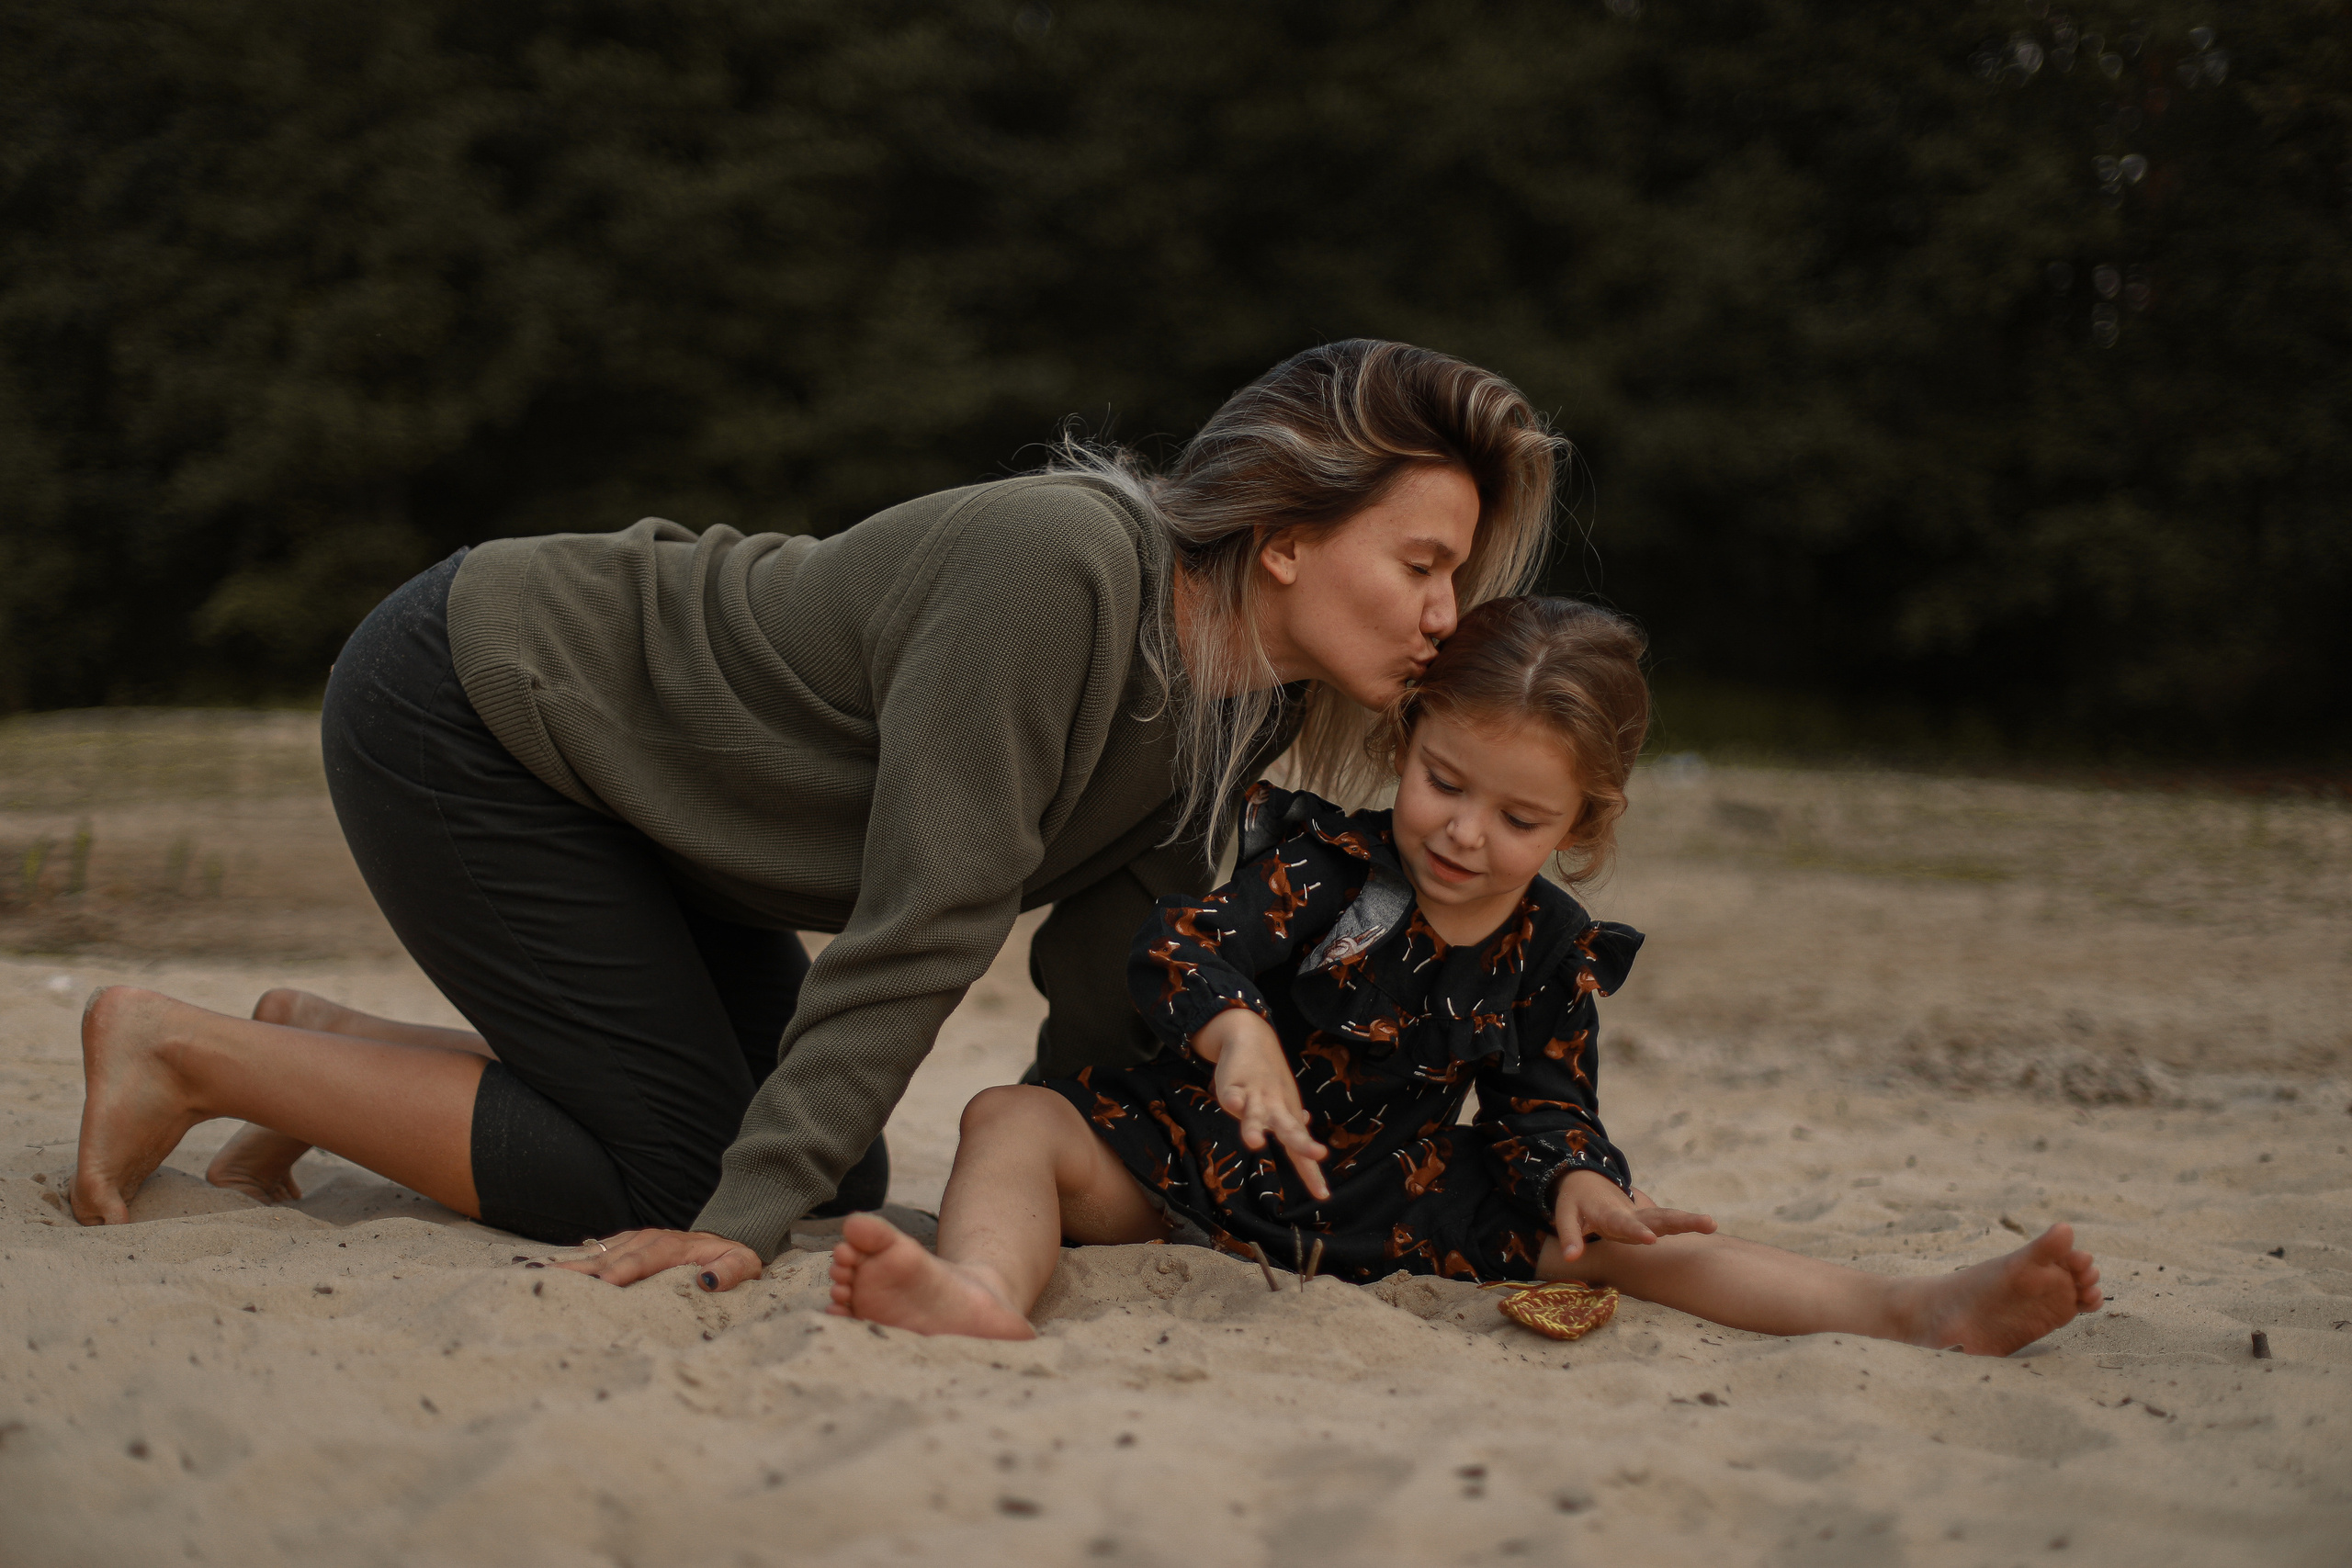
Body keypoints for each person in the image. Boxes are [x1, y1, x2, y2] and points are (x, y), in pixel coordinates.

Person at [70, 341, 1564, 1295]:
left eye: (1462, 583)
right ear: (1290, 536)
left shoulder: (1246, 703)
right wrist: (729, 1227)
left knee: (824, 1169)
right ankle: (182, 1048)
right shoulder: (1064, 570)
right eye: (1424, 565)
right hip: (485, 709)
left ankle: (308, 1054)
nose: (1448, 616)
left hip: (661, 818)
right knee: (685, 1179)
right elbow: (934, 912)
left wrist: (1076, 1164)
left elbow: (1125, 961)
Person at [827, 597, 2106, 1353]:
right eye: (1443, 784)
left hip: (1407, 1202)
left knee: (1620, 1241)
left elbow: (1547, 1100)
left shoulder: (1551, 950)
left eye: (1517, 818)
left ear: (1581, 826)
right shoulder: (1323, 869)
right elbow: (1179, 946)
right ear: (1406, 743)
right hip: (1198, 1171)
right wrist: (1236, 1036)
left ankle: (1908, 1312)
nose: (1460, 834)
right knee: (1014, 1115)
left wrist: (1584, 1178)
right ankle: (983, 1293)